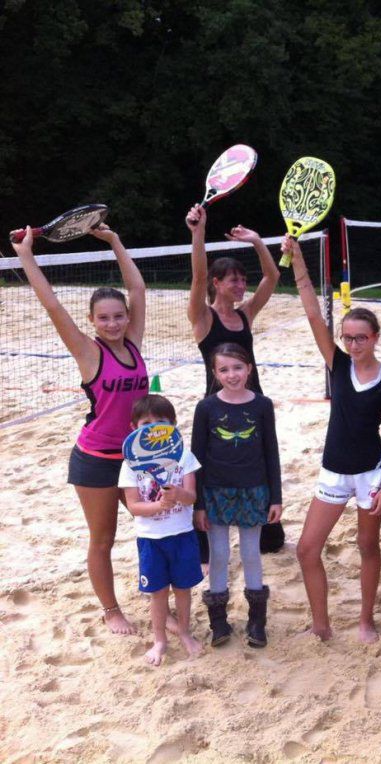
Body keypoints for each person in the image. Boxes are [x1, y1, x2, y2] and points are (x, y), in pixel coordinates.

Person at [12, 224, 148, 635]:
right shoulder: (89, 352)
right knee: (103, 540)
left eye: (118, 316)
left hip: (136, 457)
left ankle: (156, 595)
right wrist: (25, 256)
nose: (113, 323)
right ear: (92, 321)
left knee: (153, 527)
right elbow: (52, 304)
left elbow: (138, 290)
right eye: (104, 318)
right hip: (94, 461)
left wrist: (115, 241)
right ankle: (111, 610)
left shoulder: (135, 341)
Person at [286, 238, 381, 643]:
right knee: (306, 549)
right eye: (348, 337)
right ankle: (321, 623)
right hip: (334, 471)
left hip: (371, 472)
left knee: (368, 547)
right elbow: (313, 312)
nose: (353, 344)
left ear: (375, 337)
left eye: (360, 338)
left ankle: (367, 618)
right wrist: (298, 260)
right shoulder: (336, 363)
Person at [185, 206, 284, 559]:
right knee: (212, 467)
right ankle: (206, 539)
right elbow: (197, 277)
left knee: (258, 463)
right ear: (217, 284)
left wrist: (258, 241)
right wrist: (199, 232)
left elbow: (271, 279)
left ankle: (267, 532)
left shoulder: (245, 314)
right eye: (233, 280)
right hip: (216, 407)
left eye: (243, 280)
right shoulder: (203, 317)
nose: (241, 285)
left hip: (252, 403)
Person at [191, 343, 282, 648]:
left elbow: (271, 452)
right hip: (215, 492)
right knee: (218, 555)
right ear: (215, 373)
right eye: (224, 369)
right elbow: (196, 458)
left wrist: (275, 497)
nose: (232, 375)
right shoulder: (206, 408)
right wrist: (198, 504)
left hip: (254, 491)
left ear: (249, 369)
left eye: (238, 368)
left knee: (250, 554)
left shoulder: (262, 405)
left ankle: (257, 621)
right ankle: (219, 621)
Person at [118, 395, 204, 665]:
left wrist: (177, 494)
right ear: (134, 428)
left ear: (173, 425)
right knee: (157, 593)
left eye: (162, 422)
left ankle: (185, 633)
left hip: (182, 535)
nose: (153, 428)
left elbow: (191, 497)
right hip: (151, 540)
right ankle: (160, 640)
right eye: (146, 423)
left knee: (183, 589)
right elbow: (134, 506)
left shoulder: (184, 456)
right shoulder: (131, 463)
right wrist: (158, 505)